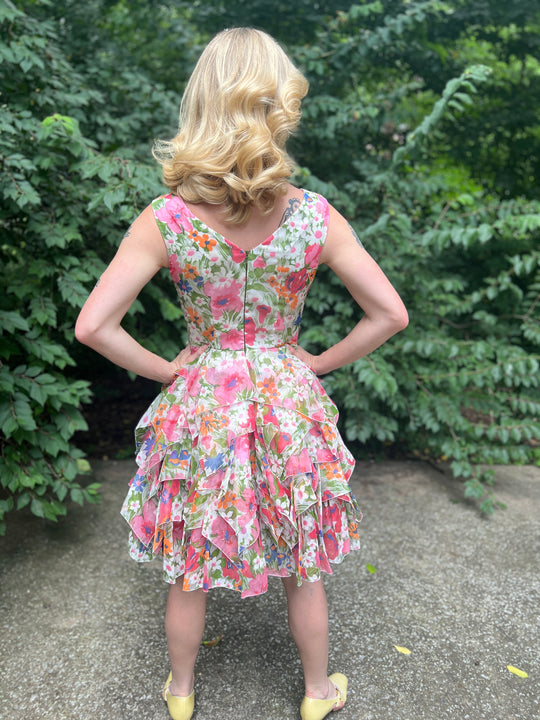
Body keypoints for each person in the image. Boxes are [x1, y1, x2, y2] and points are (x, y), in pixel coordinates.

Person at [76, 27, 408, 720]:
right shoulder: (313, 215)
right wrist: (316, 361)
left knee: (189, 560)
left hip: (202, 399)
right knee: (302, 555)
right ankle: (318, 694)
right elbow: (388, 315)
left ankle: (180, 692)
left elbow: (93, 326)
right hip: (287, 398)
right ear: (275, 104)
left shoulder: (166, 219)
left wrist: (168, 368)